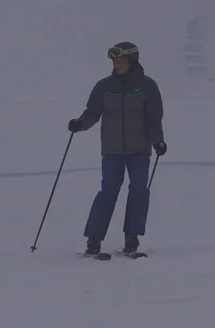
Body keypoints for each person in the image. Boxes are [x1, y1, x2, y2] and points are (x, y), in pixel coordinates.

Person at [67, 41, 167, 255]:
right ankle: (93, 239)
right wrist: (79, 124)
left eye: (120, 59)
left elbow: (154, 119)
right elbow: (92, 113)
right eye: (114, 60)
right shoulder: (104, 86)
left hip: (139, 150)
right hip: (112, 150)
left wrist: (158, 140)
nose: (116, 63)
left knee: (139, 191)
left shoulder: (147, 86)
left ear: (132, 60)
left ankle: (132, 237)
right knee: (108, 192)